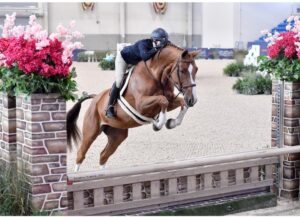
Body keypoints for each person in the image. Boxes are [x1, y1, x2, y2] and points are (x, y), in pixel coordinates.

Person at [105, 27, 169, 118]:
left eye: (164, 42)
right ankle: (109, 107)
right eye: (160, 42)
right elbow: (145, 56)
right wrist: (156, 49)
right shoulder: (143, 44)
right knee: (119, 81)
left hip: (136, 61)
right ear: (154, 40)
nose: (162, 45)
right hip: (124, 59)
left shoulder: (159, 44)